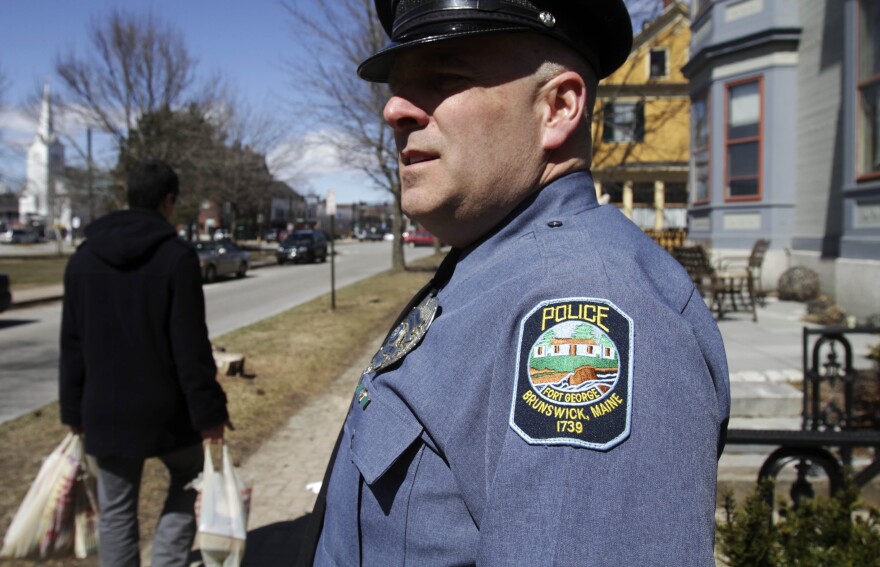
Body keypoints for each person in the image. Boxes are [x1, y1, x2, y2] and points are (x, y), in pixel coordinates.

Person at [303, 1, 731, 565]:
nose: (395, 110)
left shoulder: (582, 304)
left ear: (558, 107)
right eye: (399, 87)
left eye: (444, 77)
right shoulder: (490, 261)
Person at [59, 161, 231, 567]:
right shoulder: (176, 257)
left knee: (116, 509)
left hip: (104, 411)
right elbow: (191, 347)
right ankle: (167, 561)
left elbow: (72, 345)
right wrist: (209, 412)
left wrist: (72, 410)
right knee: (191, 476)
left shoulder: (81, 261)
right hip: (167, 412)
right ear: (168, 200)